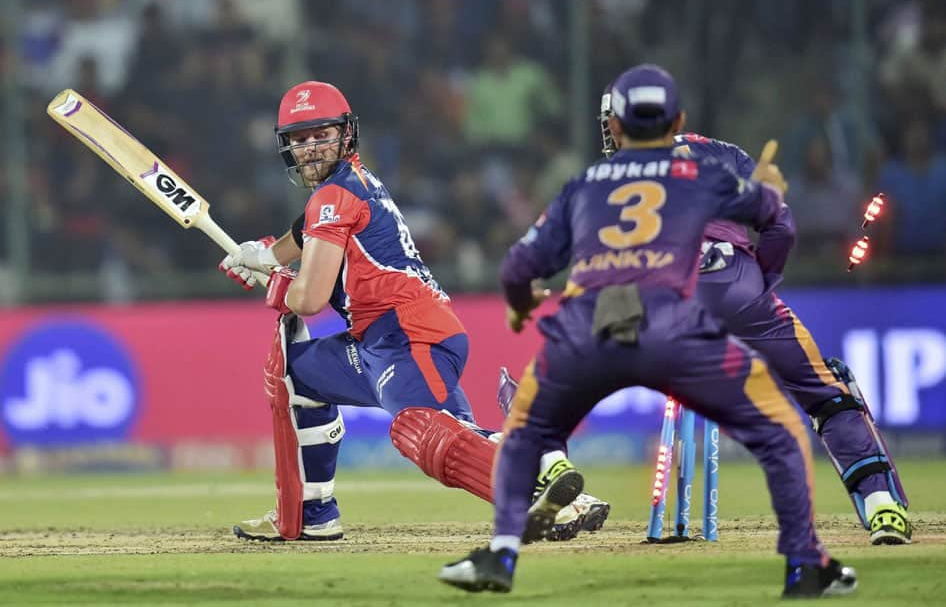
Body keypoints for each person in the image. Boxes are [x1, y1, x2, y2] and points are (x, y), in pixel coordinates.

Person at [438, 64, 857, 599]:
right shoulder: (702, 175)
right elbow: (774, 216)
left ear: (613, 127)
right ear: (677, 120)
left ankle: (500, 554)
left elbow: (519, 267)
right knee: (781, 431)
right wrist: (766, 222)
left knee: (524, 432)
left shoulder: (584, 185)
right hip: (672, 320)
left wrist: (520, 306)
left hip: (596, 318)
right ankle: (804, 565)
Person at [218, 80, 608, 542]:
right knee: (295, 374)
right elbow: (299, 239)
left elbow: (310, 299)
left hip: (408, 334)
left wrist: (278, 281)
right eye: (300, 140)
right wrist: (260, 256)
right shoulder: (347, 188)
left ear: (345, 134)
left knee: (417, 431)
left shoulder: (333, 196)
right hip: (378, 341)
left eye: (321, 134)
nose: (310, 148)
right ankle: (311, 513)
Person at [667, 132, 912, 546]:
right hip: (737, 285)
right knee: (825, 392)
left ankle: (557, 473)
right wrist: (759, 281)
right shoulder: (724, 154)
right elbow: (780, 222)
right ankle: (881, 505)